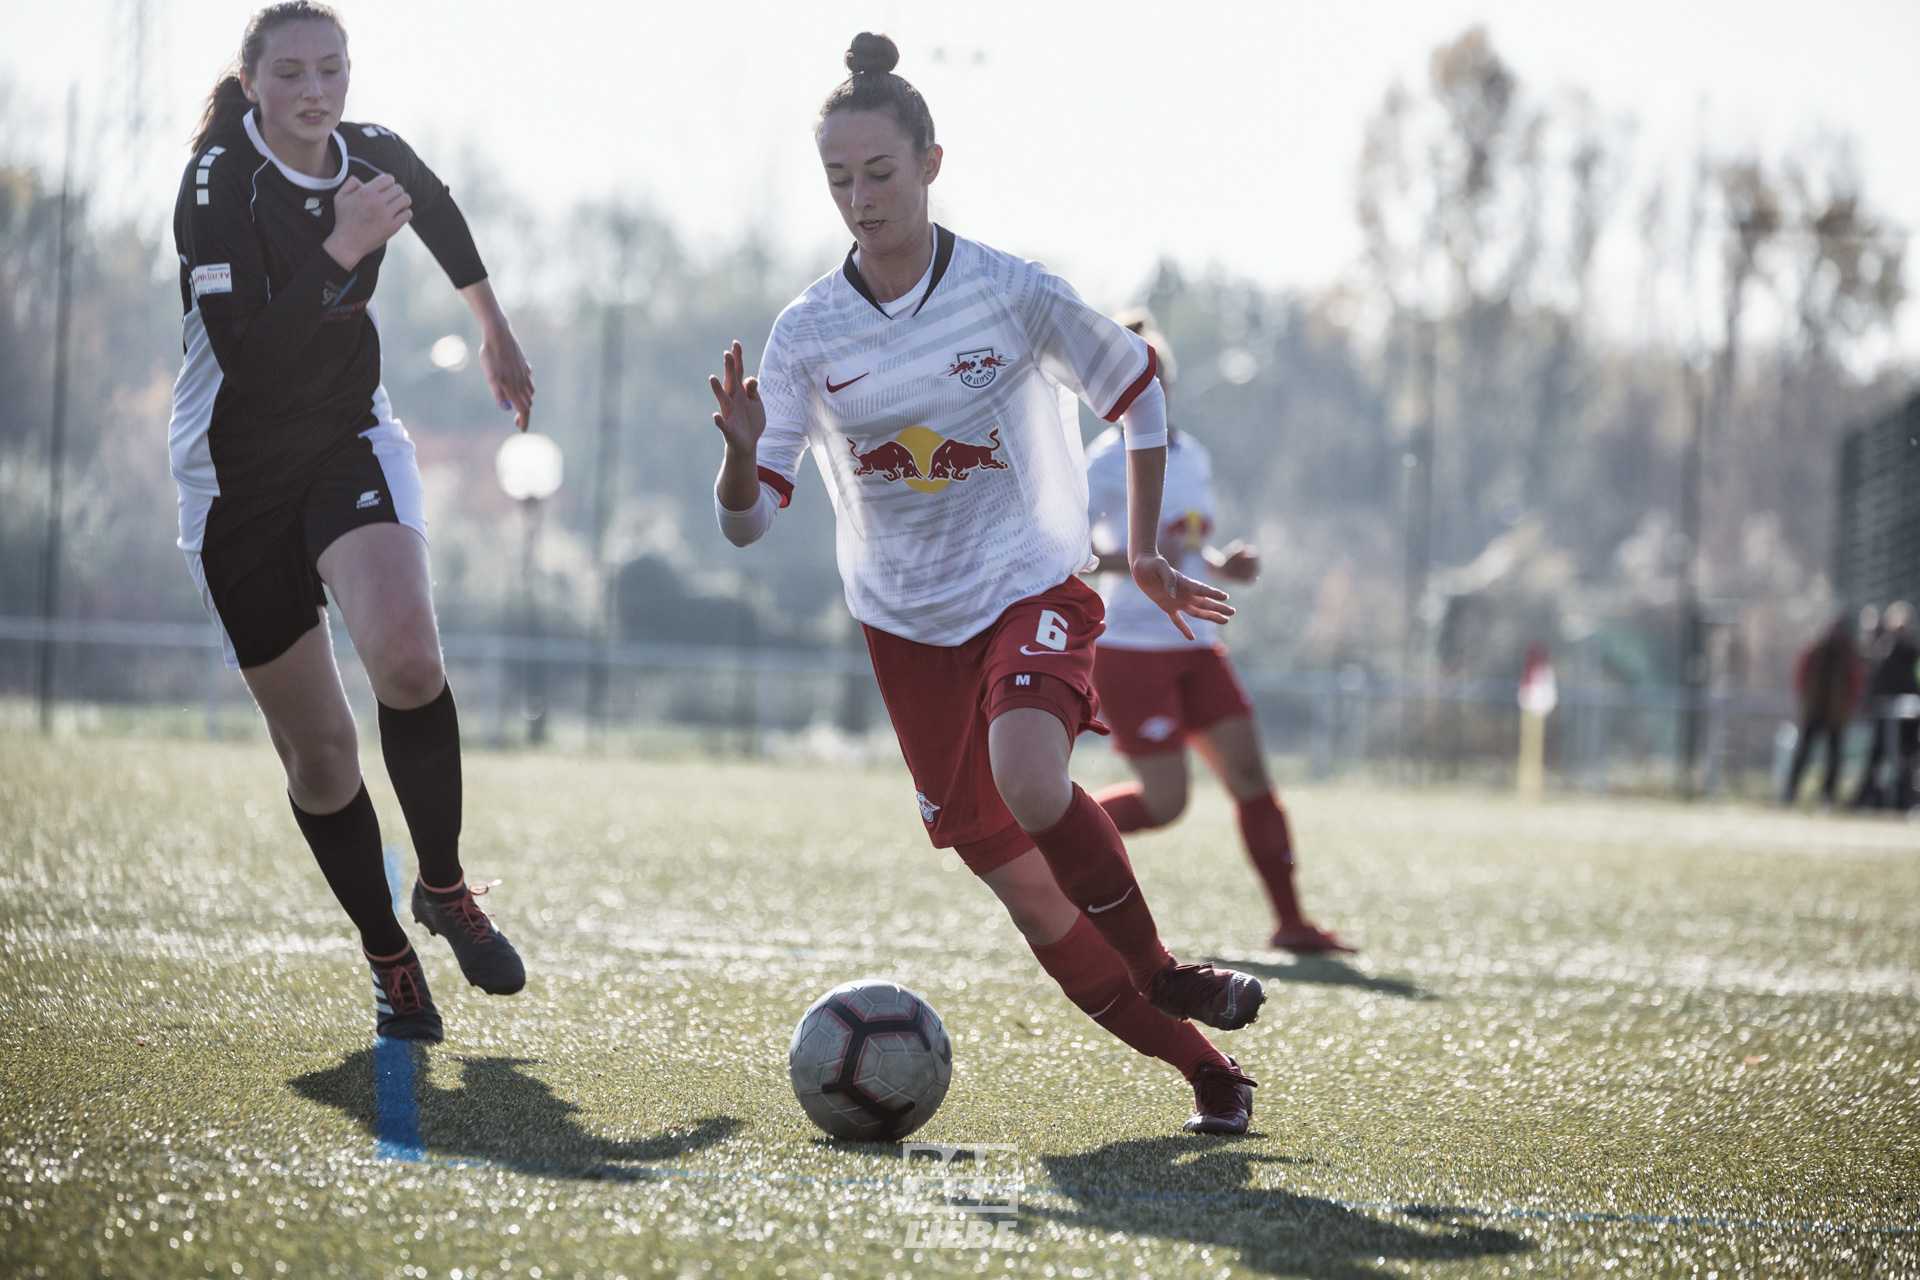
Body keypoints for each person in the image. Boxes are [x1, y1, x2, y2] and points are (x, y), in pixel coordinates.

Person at [707, 33, 1265, 1134]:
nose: (860, 199)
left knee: (1030, 772)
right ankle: (1208, 1068)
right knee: (1031, 898)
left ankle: (1160, 965)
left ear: (930, 164)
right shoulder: (808, 331)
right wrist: (736, 453)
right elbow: (748, 521)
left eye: (880, 173)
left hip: (1031, 584)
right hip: (906, 632)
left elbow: (1139, 388)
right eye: (839, 180)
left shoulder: (1010, 294)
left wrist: (1145, 548)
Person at [170, 2, 533, 1041]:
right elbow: (252, 358)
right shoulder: (214, 188)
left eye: (330, 69)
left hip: (345, 441)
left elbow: (442, 209)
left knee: (410, 662)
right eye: (289, 73)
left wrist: (493, 326)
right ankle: (388, 953)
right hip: (232, 475)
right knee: (322, 752)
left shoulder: (369, 153)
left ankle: (446, 885)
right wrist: (341, 247)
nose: (314, 91)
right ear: (252, 82)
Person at [1084, 315, 1354, 953]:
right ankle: (1047, 837)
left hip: (1196, 643)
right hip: (1130, 649)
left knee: (1252, 774)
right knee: (1166, 802)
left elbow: (1191, 545)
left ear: (1167, 380)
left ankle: (1290, 923)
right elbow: (1076, 557)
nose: (1147, 386)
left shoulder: (1193, 453)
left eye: (1155, 374)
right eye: (1129, 376)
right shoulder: (1097, 464)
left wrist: (1221, 564)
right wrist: (1142, 558)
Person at [1780, 614, 1863, 806]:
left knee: (1834, 756)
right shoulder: (1814, 649)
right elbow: (1801, 676)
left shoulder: (1847, 653)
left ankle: (1828, 795)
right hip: (1814, 709)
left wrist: (1849, 707)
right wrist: (1803, 701)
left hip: (1836, 713)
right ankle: (1790, 791)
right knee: (1803, 752)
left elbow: (1856, 682)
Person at [1852, 601, 1919, 810]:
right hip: (1884, 716)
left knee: (1908, 759)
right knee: (1876, 758)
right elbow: (1876, 683)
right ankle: (1866, 799)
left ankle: (1908, 800)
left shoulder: (1914, 654)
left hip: (1909, 720)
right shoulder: (1883, 651)